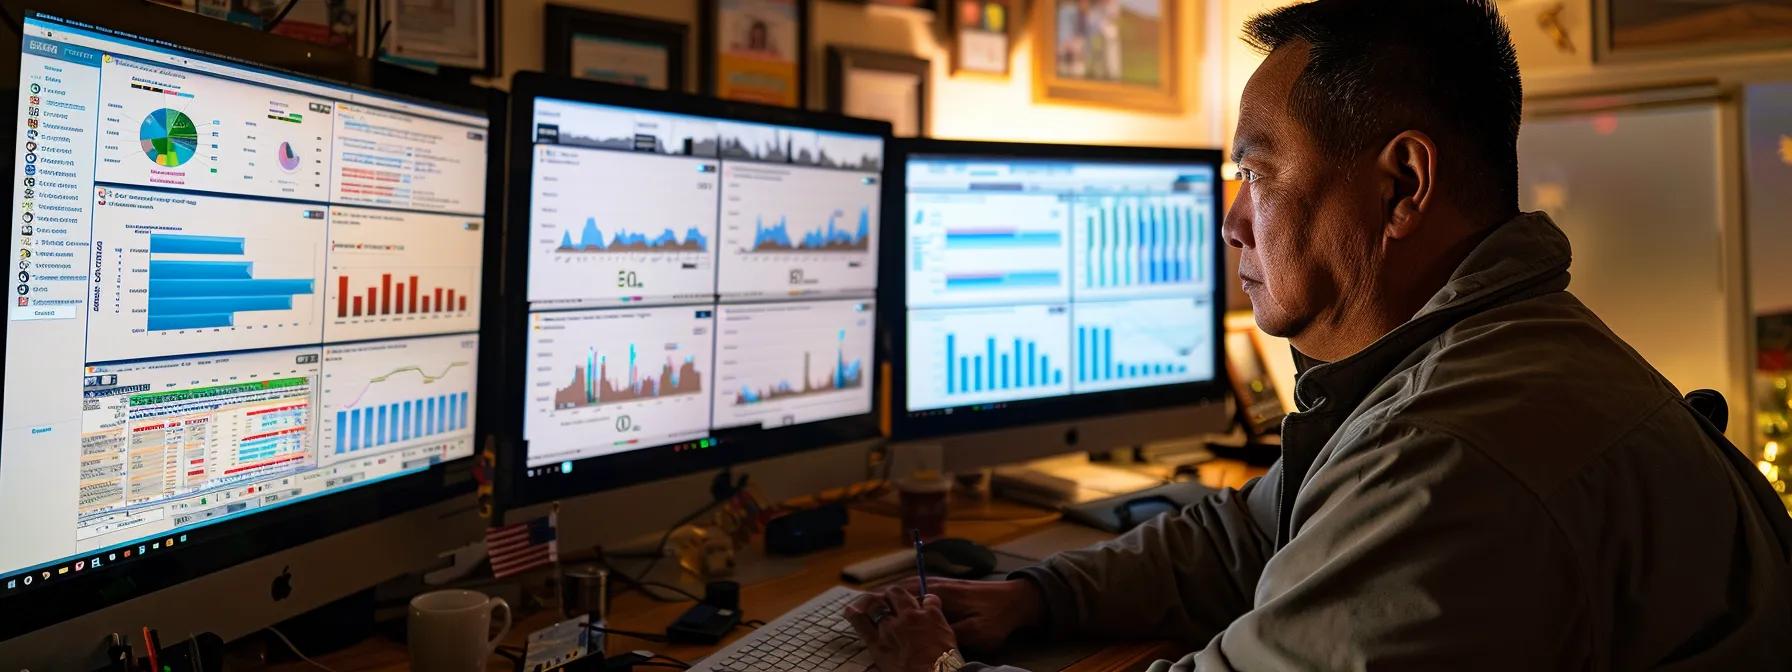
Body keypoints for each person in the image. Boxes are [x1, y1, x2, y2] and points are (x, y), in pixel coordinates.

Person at [843, 0, 1792, 670]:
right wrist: (1039, 597)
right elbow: (1248, 534)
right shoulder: (1473, 357)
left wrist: (934, 668)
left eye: (1255, 173)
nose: (1228, 220)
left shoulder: (1451, 452)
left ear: (1402, 187)